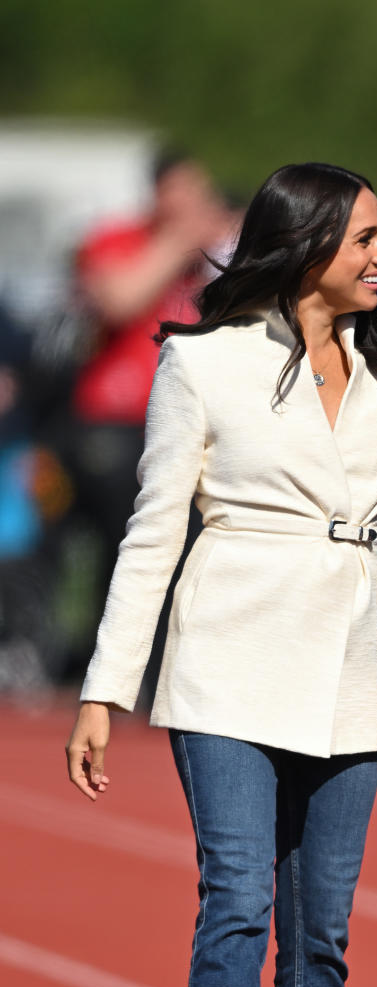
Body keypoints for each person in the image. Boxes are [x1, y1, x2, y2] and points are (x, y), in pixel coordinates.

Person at [65, 162, 377, 987]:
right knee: (236, 899)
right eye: (366, 238)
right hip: (225, 665)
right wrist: (103, 688)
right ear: (309, 242)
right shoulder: (203, 363)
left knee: (319, 937)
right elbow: (152, 532)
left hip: (346, 676)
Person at [67, 151, 234, 629]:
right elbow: (119, 300)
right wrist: (178, 241)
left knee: (194, 550)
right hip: (118, 423)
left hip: (194, 421)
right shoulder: (116, 238)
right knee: (130, 546)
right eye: (183, 190)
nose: (194, 203)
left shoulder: (217, 247)